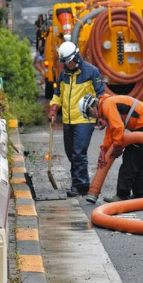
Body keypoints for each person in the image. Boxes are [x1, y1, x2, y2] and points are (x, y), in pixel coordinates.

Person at [78, 93, 143, 202]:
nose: (93, 117)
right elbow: (110, 132)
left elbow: (118, 127)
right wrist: (104, 148)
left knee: (130, 159)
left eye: (90, 114)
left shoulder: (107, 105)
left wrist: (117, 146)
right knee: (137, 160)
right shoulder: (107, 104)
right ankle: (139, 193)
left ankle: (122, 195)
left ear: (91, 108)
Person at [48, 41, 105, 197]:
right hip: (68, 119)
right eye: (64, 62)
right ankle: (82, 182)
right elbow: (58, 94)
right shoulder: (63, 74)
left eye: (68, 61)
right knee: (71, 153)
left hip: (85, 119)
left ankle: (79, 185)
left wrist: (102, 115)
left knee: (79, 153)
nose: (66, 65)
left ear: (76, 57)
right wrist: (54, 107)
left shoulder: (91, 72)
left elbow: (102, 95)